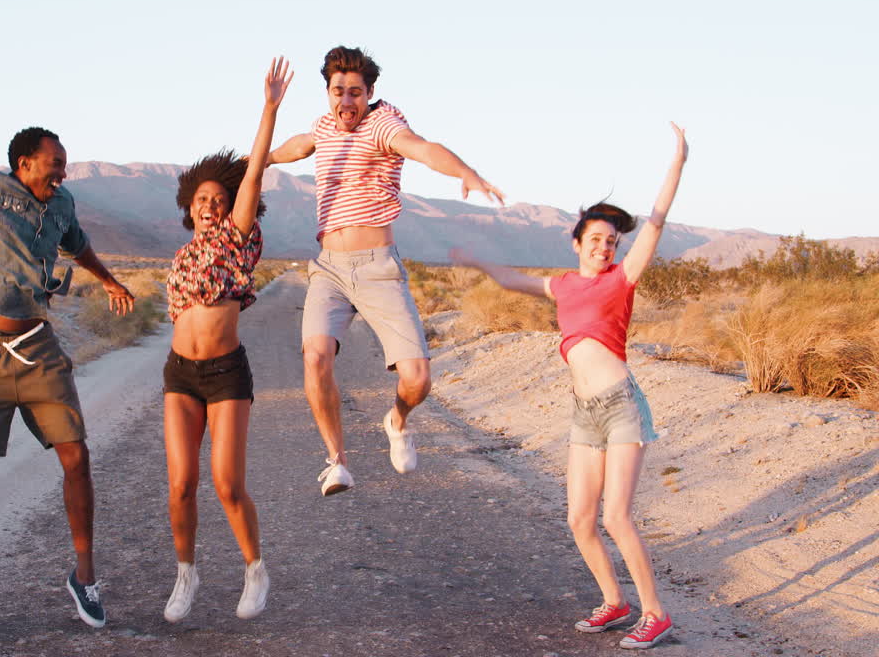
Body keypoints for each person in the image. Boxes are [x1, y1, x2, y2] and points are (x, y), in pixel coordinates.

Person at [0, 7, 135, 638]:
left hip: (40, 351)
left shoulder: (61, 203)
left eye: (63, 162)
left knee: (76, 456)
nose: (62, 169)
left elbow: (77, 244)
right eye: (54, 162)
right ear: (24, 162)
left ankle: (84, 576)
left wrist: (109, 279)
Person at [450, 123, 688, 649]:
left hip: (621, 407)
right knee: (580, 519)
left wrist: (677, 163)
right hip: (585, 412)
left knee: (616, 516)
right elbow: (513, 281)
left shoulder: (621, 279)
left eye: (611, 241)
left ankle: (655, 613)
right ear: (576, 242)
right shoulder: (561, 285)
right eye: (596, 239)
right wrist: (476, 260)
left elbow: (656, 222)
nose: (604, 247)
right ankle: (615, 602)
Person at [267, 46, 505, 494]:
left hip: (377, 267)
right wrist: (259, 159)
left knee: (417, 380)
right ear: (328, 92)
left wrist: (464, 171)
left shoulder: (382, 125)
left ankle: (397, 420)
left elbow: (422, 149)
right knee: (315, 356)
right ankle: (336, 462)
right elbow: (298, 145)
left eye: (355, 93)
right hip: (329, 269)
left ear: (370, 92)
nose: (346, 101)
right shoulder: (323, 127)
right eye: (338, 91)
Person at [159, 58, 292, 623]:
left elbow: (254, 173)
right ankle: (185, 574)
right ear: (189, 207)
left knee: (227, 484)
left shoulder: (238, 239)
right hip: (179, 373)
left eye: (219, 198)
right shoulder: (180, 256)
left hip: (225, 374)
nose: (210, 205)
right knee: (180, 485)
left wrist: (269, 109)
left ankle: (255, 568)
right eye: (202, 199)